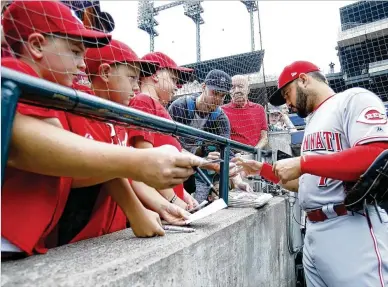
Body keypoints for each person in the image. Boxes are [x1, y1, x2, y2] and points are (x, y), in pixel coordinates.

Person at [1, 0, 203, 258]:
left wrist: (150, 199)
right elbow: (32, 150)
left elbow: (81, 164)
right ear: (37, 45)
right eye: (75, 52)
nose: (83, 65)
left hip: (22, 241)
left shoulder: (49, 92)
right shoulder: (15, 72)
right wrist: (138, 163)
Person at [234, 60, 388, 287]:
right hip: (313, 232)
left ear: (304, 79)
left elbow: (377, 154)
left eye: (287, 94)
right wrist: (263, 170)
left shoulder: (352, 99)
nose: (287, 103)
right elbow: (305, 183)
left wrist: (304, 163)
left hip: (350, 226)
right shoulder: (313, 121)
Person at [82, 42, 193, 226]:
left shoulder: (117, 118)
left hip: (116, 223)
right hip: (85, 230)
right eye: (132, 78)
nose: (136, 87)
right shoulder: (140, 103)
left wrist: (166, 205)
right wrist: (167, 202)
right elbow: (137, 165)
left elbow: (128, 173)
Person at [168, 69, 252, 203]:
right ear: (203, 87)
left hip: (198, 168)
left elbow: (227, 152)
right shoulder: (180, 106)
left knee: (195, 204)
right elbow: (168, 144)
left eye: (222, 95)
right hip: (174, 164)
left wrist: (238, 181)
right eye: (215, 93)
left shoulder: (220, 118)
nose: (218, 99)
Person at [221, 75, 268, 148]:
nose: (237, 90)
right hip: (233, 156)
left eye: (240, 86)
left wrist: (254, 151)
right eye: (232, 87)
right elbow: (222, 139)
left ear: (248, 90)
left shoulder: (259, 109)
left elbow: (264, 138)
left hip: (256, 156)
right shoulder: (222, 111)